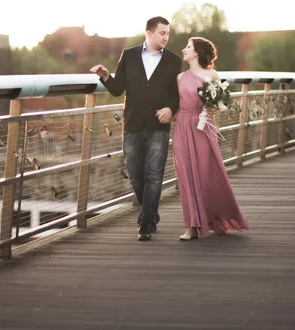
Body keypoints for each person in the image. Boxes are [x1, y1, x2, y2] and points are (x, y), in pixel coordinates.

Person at [90, 16, 182, 241]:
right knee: (135, 176)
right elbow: (117, 89)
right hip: (131, 124)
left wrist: (170, 109)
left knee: (154, 175)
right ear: (149, 33)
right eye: (162, 33)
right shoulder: (129, 55)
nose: (166, 37)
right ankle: (151, 213)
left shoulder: (173, 60)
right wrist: (105, 76)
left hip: (158, 126)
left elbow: (176, 94)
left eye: (168, 33)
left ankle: (145, 223)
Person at [172, 37, 250, 240]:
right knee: (185, 174)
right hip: (182, 125)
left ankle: (218, 217)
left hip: (203, 126)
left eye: (188, 47)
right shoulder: (180, 77)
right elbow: (175, 104)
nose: (184, 50)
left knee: (208, 173)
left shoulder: (212, 74)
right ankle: (192, 226)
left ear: (197, 52)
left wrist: (212, 107)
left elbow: (218, 103)